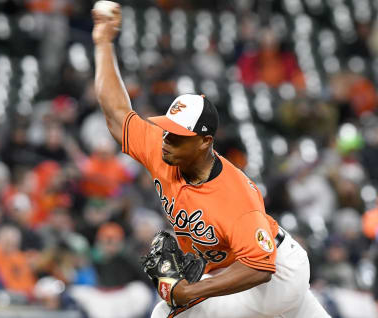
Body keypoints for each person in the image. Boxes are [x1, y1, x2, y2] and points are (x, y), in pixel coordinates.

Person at [91, 4, 330, 318]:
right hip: (240, 272)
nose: (167, 140)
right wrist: (104, 44)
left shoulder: (235, 194)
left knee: (169, 313)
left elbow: (260, 267)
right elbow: (116, 113)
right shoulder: (162, 151)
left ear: (205, 141)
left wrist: (190, 291)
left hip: (275, 276)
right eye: (166, 131)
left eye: (178, 135)